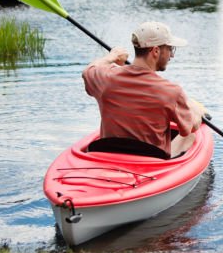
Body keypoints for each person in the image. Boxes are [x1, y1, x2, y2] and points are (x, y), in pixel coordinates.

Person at [82, 21, 206, 158]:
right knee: (190, 137)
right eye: (170, 49)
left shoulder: (106, 78)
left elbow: (89, 70)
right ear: (156, 51)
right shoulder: (171, 91)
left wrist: (112, 56)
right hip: (150, 162)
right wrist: (197, 111)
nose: (172, 55)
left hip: (108, 156)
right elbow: (189, 127)